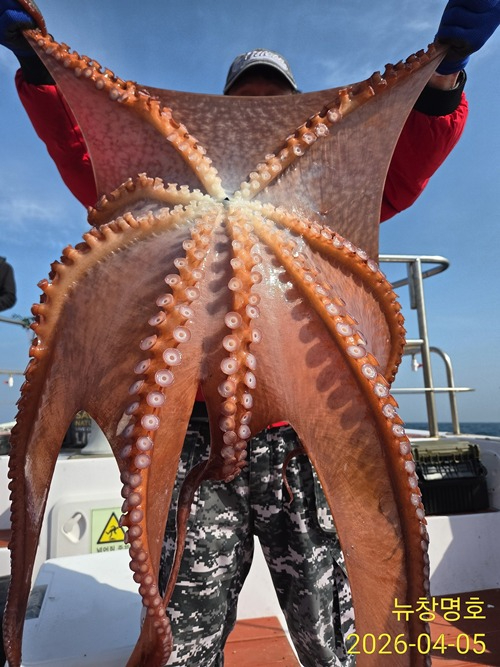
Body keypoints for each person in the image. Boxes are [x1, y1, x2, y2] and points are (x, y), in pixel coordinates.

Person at [1, 2, 499, 666]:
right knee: (183, 640)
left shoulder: (328, 187)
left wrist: (442, 79)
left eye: (274, 103)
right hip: (193, 443)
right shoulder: (172, 185)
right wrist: (38, 66)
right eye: (246, 103)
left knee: (337, 637)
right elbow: (89, 152)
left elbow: (401, 161)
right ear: (224, 110)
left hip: (304, 442)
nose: (259, 114)